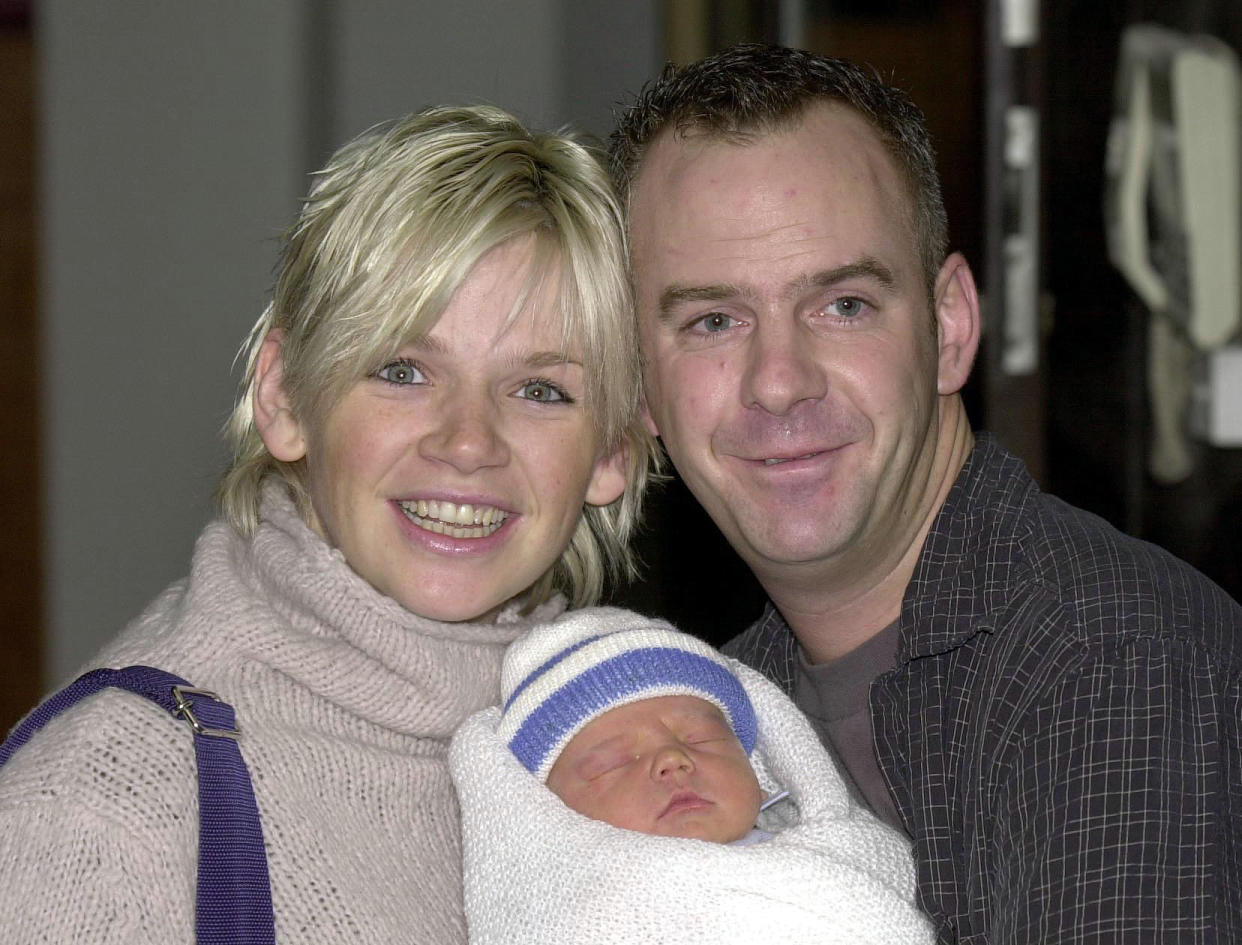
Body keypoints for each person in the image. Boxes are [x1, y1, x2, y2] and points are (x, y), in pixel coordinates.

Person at [609, 43, 1242, 943]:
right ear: (641, 387)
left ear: (949, 326)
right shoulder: (708, 711)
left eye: (844, 305)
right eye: (714, 320)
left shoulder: (1109, 662)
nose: (779, 381)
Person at [0, 104, 658, 943]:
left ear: (614, 451)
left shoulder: (663, 758)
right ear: (283, 397)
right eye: (402, 369)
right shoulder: (99, 815)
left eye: (540, 389)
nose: (467, 441)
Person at [449, 607, 934, 944]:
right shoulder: (590, 914)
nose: (671, 759)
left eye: (701, 739)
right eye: (613, 761)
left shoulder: (840, 845)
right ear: (548, 814)